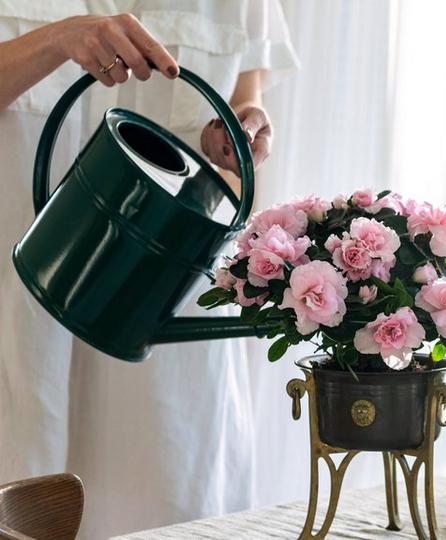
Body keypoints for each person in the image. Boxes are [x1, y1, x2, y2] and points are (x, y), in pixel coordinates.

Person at [0, 2, 297, 538]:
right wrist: (57, 40)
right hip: (20, 294)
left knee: (177, 501)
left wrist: (239, 131)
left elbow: (244, 98)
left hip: (164, 303)